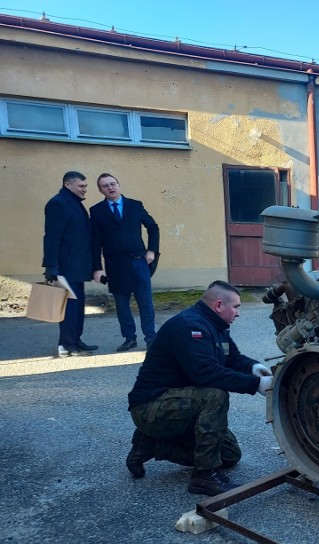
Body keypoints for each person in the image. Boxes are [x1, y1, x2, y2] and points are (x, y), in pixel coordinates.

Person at [125, 281, 274, 496]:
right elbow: (205, 373)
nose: (238, 313)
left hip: (180, 403)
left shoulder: (216, 325)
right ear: (219, 305)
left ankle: (150, 445)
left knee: (230, 455)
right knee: (214, 396)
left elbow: (233, 358)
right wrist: (256, 385)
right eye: (236, 307)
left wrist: (254, 368)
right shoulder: (190, 326)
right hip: (151, 407)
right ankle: (205, 477)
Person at [90, 173, 160, 351]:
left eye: (113, 184)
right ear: (100, 190)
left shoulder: (135, 206)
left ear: (119, 185)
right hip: (115, 266)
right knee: (122, 305)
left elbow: (152, 227)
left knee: (145, 302)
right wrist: (97, 268)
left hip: (138, 262)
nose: (110, 188)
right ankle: (129, 338)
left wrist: (151, 250)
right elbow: (95, 241)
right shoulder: (97, 211)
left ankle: (151, 338)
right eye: (105, 186)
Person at [42, 170, 99, 357]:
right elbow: (51, 237)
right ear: (68, 185)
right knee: (69, 308)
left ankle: (75, 340)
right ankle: (67, 345)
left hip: (77, 267)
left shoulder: (73, 203)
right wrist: (51, 266)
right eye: (81, 186)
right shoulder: (58, 204)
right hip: (65, 267)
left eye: (85, 186)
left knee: (77, 306)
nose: (85, 190)